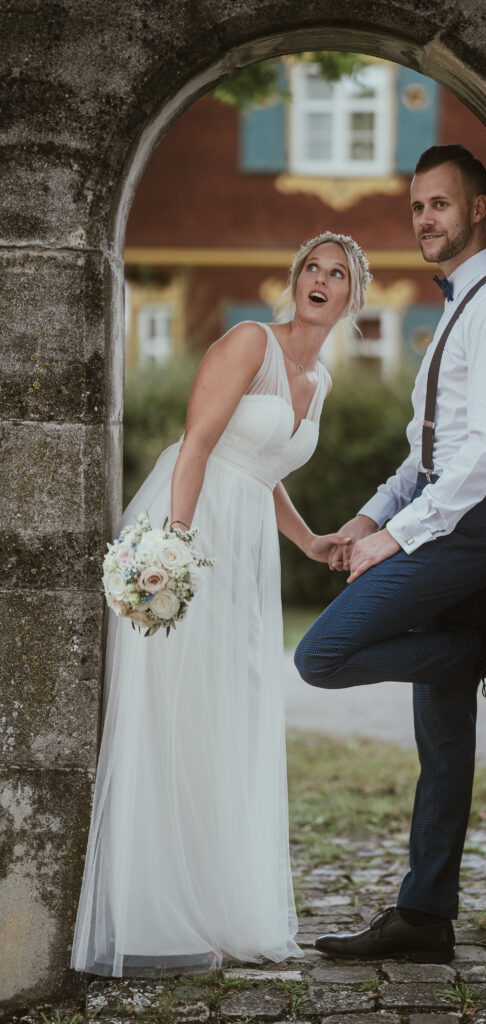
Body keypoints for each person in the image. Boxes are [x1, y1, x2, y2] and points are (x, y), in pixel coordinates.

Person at [71, 232, 371, 977]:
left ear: (351, 298)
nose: (321, 280)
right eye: (312, 267)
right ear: (295, 278)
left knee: (226, 708)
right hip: (195, 527)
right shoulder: (249, 341)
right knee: (173, 705)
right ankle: (153, 912)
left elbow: (263, 470)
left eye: (338, 274)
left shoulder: (321, 379)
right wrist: (173, 550)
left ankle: (214, 901)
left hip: (249, 551)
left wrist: (304, 541)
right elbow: (200, 443)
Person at [294, 145, 486, 963]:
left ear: (478, 208)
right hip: (445, 513)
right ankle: (425, 914)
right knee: (442, 734)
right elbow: (422, 454)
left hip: (473, 525)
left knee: (322, 654)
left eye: (441, 204)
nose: (426, 219)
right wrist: (366, 520)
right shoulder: (454, 312)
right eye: (417, 208)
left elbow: (480, 456)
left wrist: (397, 539)